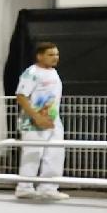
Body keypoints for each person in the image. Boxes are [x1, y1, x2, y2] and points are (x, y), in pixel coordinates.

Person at [15, 41, 66, 201]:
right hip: (33, 122)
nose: (55, 57)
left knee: (55, 153)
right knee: (33, 153)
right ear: (40, 56)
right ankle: (24, 188)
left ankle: (48, 188)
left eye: (56, 54)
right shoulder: (32, 72)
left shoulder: (54, 73)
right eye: (50, 54)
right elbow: (21, 96)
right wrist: (36, 116)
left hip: (52, 120)